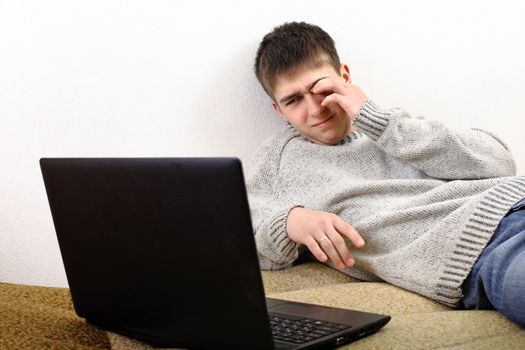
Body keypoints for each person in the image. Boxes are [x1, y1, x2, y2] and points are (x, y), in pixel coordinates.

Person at [247, 21, 525, 327]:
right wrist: (288, 222)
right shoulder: (279, 162)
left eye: (321, 89)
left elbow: (499, 163)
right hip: (488, 251)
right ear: (278, 109)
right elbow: (234, 240)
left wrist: (376, 119)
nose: (315, 109)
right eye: (294, 100)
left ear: (345, 78)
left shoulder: (390, 126)